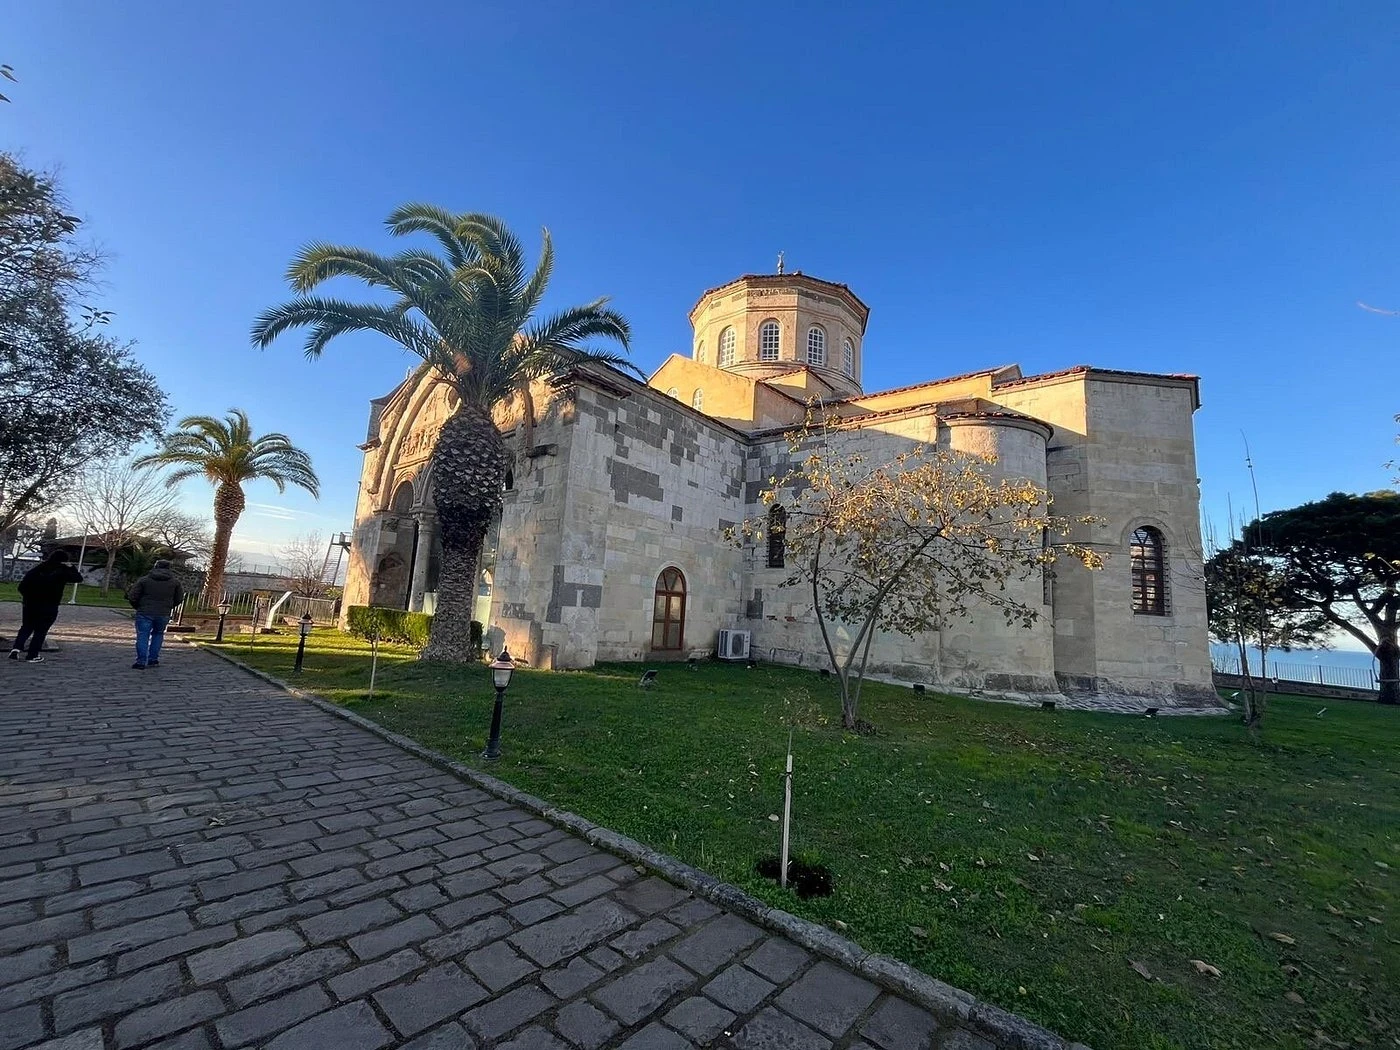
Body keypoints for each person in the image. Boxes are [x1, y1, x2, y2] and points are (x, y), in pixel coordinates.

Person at [9, 550, 84, 664]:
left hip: (30, 604)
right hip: (49, 604)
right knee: (41, 630)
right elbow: (78, 578)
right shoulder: (62, 571)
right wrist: (71, 567)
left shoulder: (37, 569)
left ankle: (16, 648)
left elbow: (22, 586)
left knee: (26, 627)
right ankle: (32, 655)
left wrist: (28, 598)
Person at [126, 558, 184, 669]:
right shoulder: (175, 583)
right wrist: (169, 606)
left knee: (143, 635)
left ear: (155, 566)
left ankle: (141, 661)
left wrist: (138, 606)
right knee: (158, 634)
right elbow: (179, 598)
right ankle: (153, 659)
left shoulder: (144, 580)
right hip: (163, 613)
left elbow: (133, 596)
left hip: (145, 611)